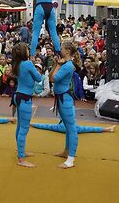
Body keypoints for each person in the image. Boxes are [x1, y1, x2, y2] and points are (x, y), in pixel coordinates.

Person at [49, 40, 79, 169]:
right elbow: (51, 76)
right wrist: (56, 64)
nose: (59, 50)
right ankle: (66, 151)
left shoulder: (67, 66)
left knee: (71, 128)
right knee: (67, 127)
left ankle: (71, 159)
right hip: (61, 98)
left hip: (65, 99)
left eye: (61, 48)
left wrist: (57, 65)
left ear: (67, 51)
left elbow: (52, 79)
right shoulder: (65, 64)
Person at [11, 43, 42, 167]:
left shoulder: (17, 64)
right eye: (27, 50)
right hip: (25, 98)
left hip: (18, 96)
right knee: (24, 128)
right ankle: (21, 158)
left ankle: (21, 151)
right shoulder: (28, 64)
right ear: (24, 53)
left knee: (20, 127)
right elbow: (39, 78)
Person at [31, 122, 115, 133]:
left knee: (46, 126)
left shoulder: (57, 127)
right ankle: (107, 129)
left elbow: (44, 125)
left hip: (63, 127)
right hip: (72, 127)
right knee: (89, 128)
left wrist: (31, 124)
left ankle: (108, 129)